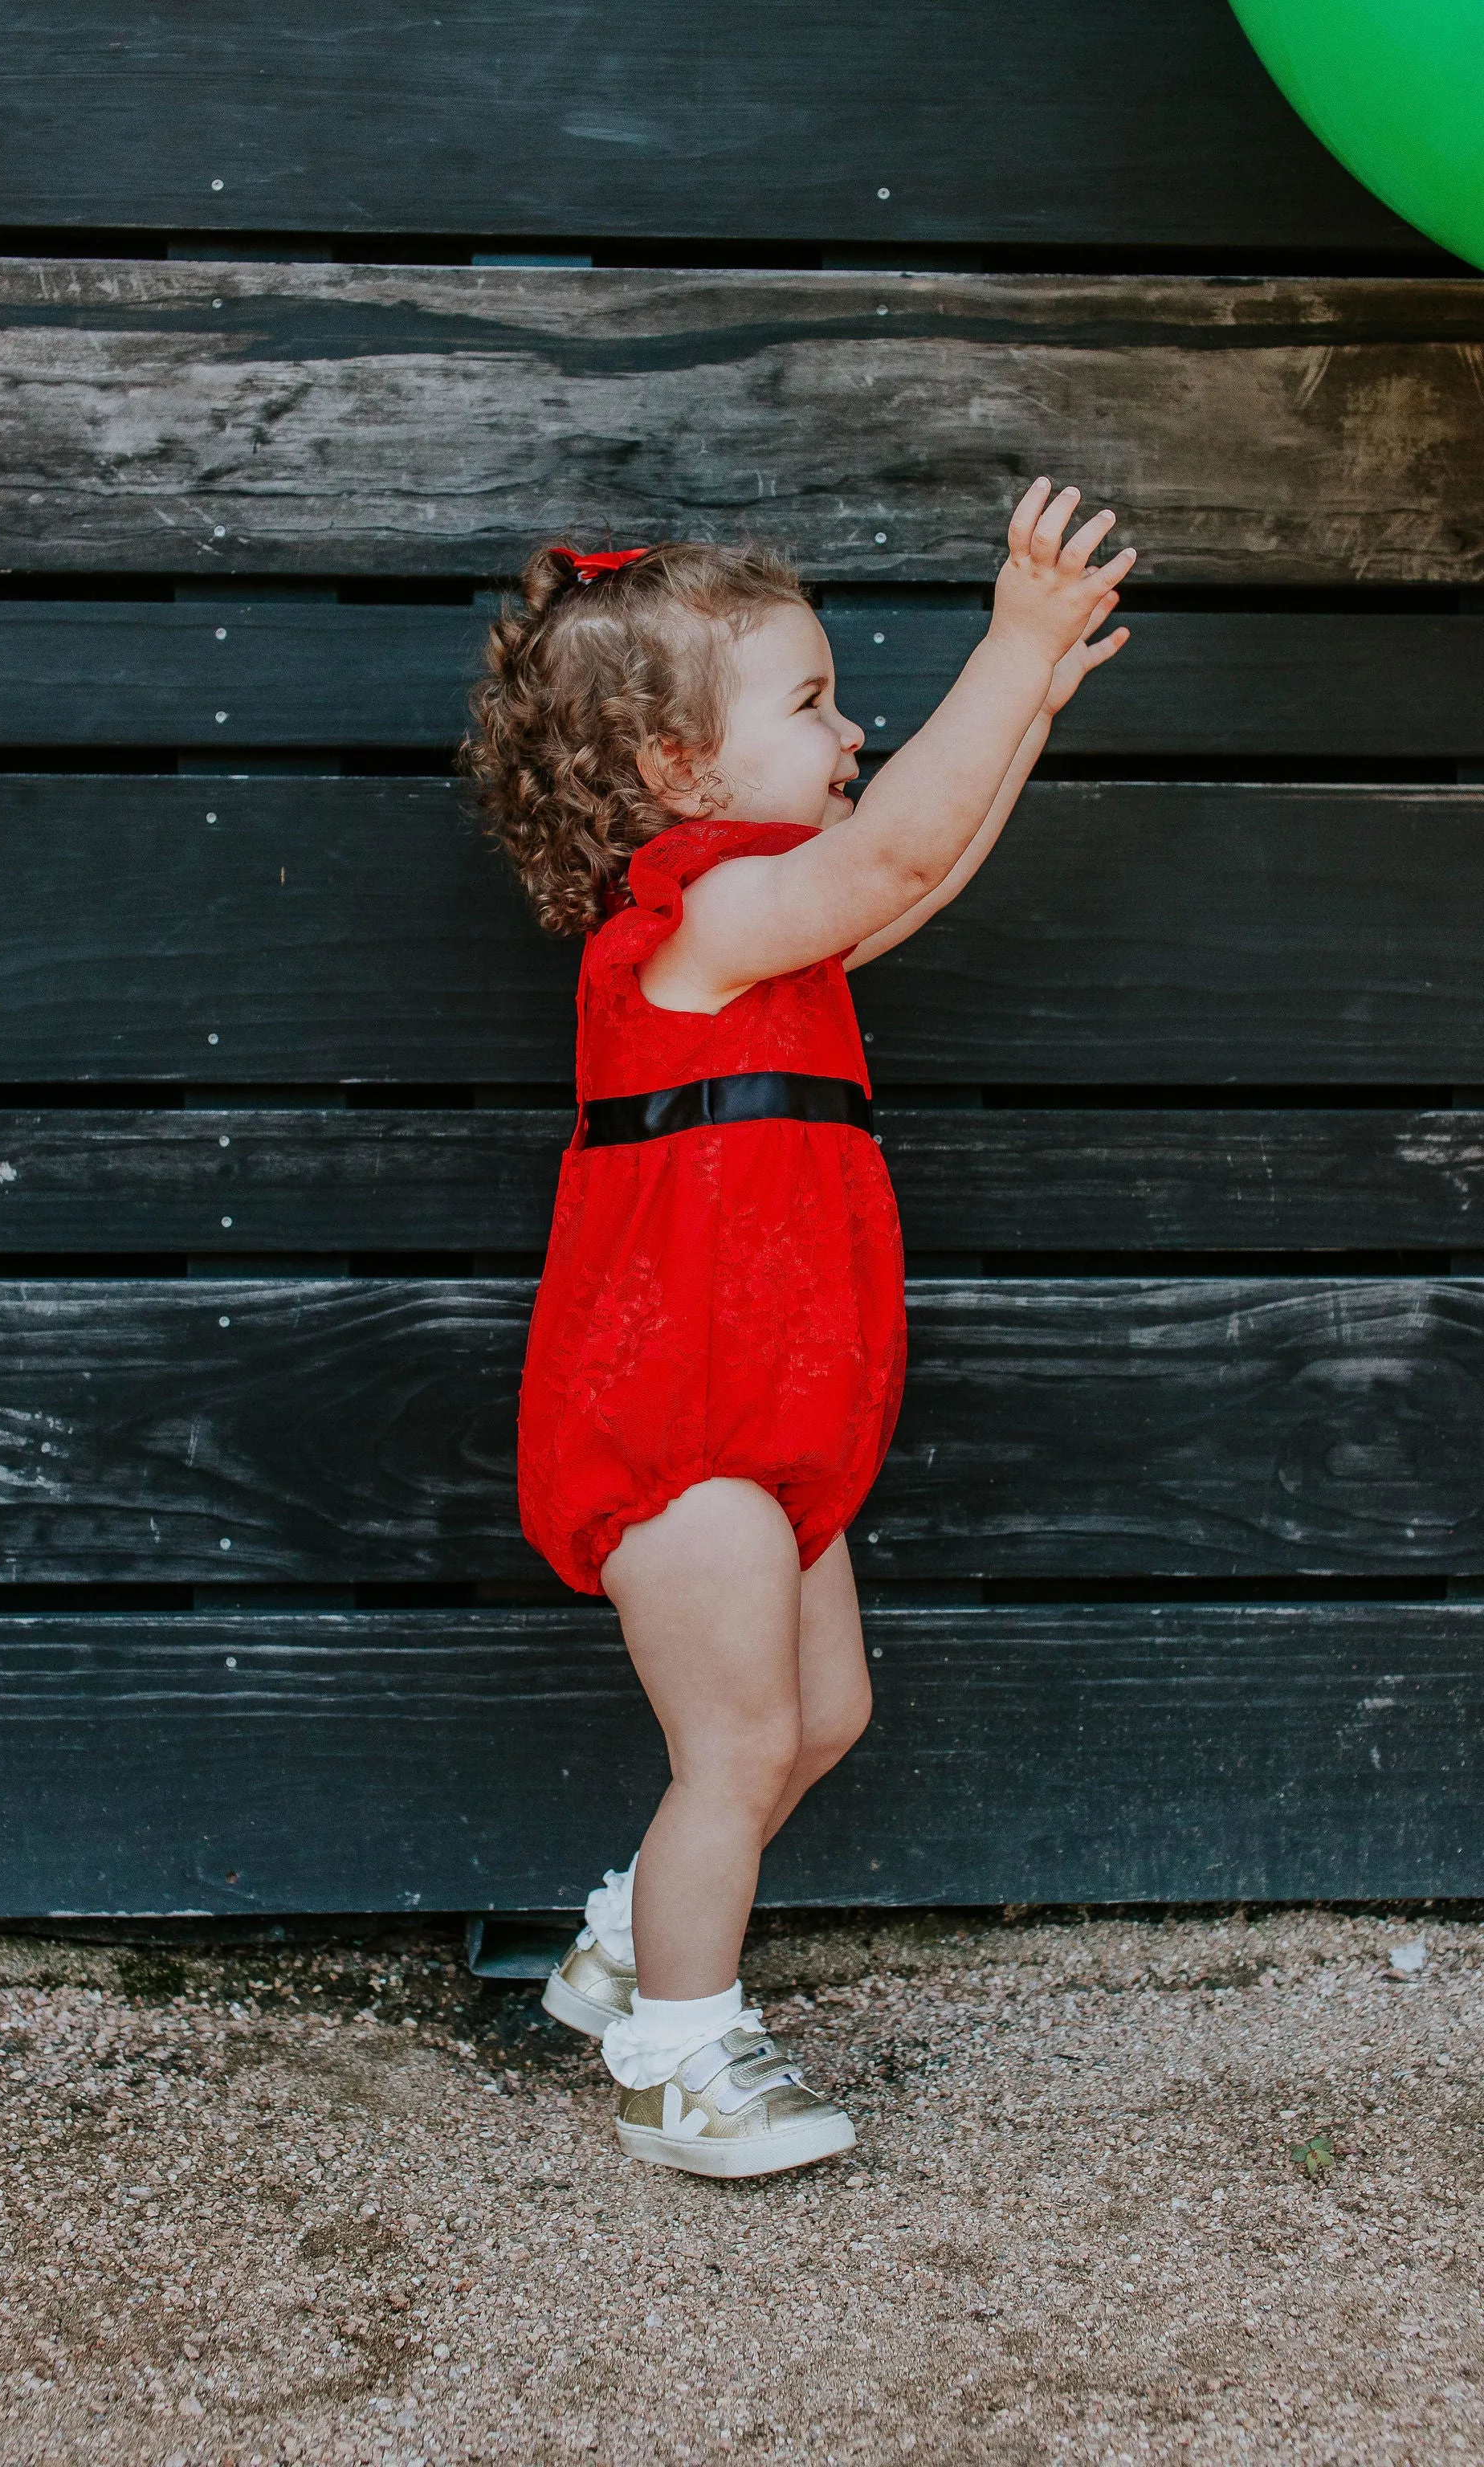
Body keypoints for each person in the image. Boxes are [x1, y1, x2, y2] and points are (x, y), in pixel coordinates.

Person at [464, 481, 1132, 2177]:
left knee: (820, 1720)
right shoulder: (691, 929)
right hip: (673, 1424)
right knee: (740, 1744)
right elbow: (893, 848)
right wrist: (1010, 643)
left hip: (768, 1418)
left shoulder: (785, 936)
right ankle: (677, 2062)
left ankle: (625, 1937)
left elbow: (910, 877)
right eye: (815, 703)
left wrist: (1026, 714)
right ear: (680, 777)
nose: (854, 729)